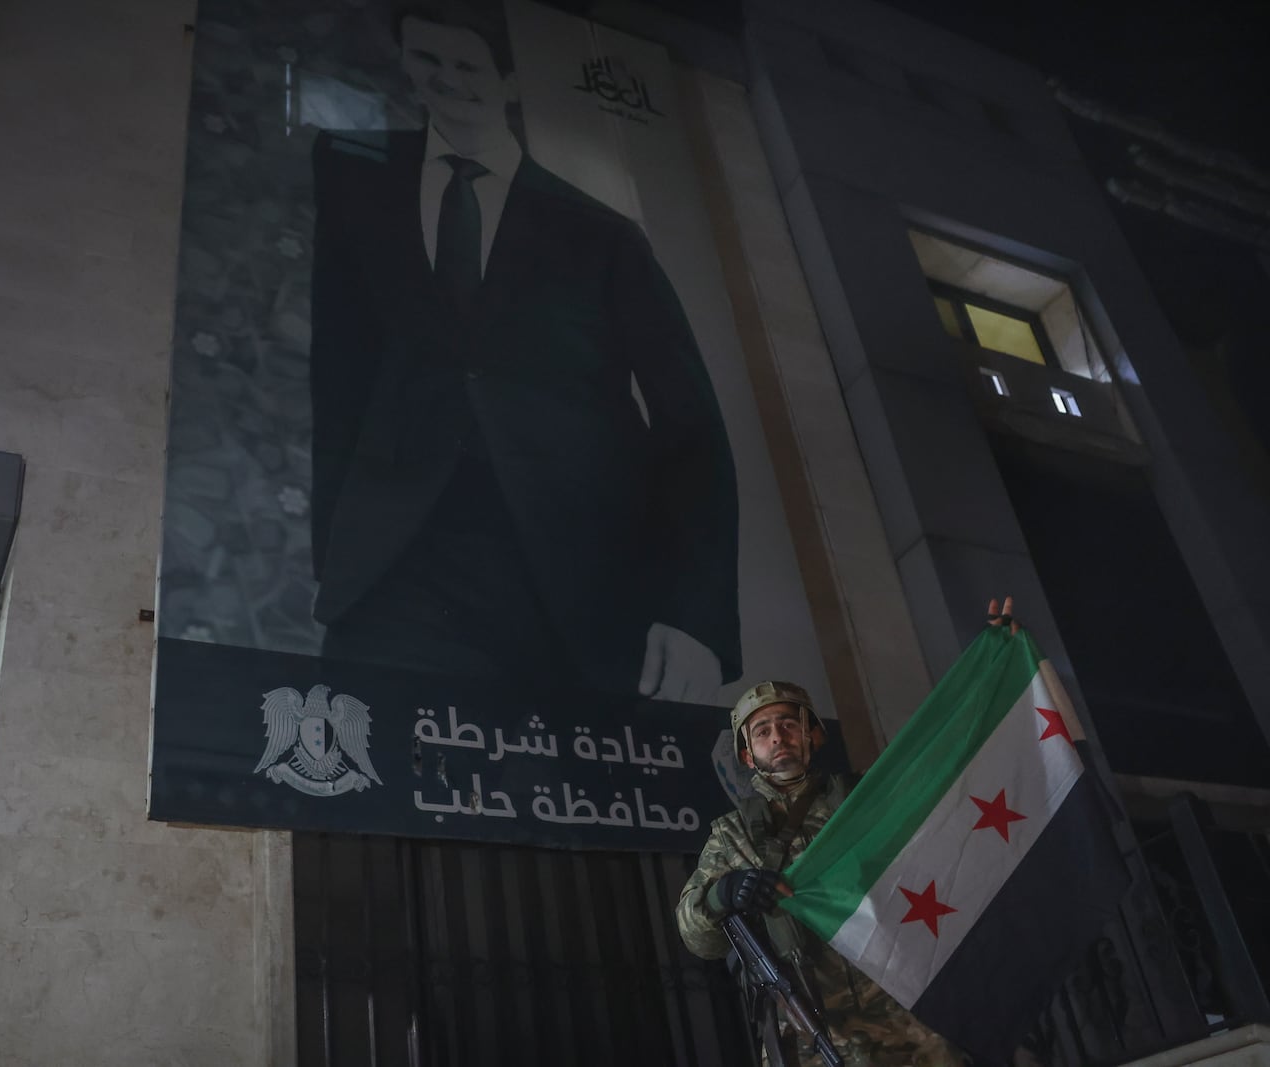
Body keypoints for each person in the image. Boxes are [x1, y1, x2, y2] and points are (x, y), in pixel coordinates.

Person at [307, 0, 741, 702]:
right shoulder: (357, 183)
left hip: (575, 572)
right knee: (370, 774)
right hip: (402, 563)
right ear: (406, 64)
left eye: (468, 64)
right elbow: (338, 373)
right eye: (428, 60)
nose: (448, 80)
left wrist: (693, 615)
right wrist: (335, 548)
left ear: (507, 79)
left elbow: (691, 429)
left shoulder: (603, 237)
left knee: (557, 794)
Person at [674, 597, 1023, 1065]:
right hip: (813, 1033)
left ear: (811, 735)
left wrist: (998, 663)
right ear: (746, 755)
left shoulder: (865, 802)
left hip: (912, 1018)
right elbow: (698, 937)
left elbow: (951, 775)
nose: (776, 736)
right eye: (761, 732)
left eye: (787, 724)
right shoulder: (733, 835)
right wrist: (725, 893)